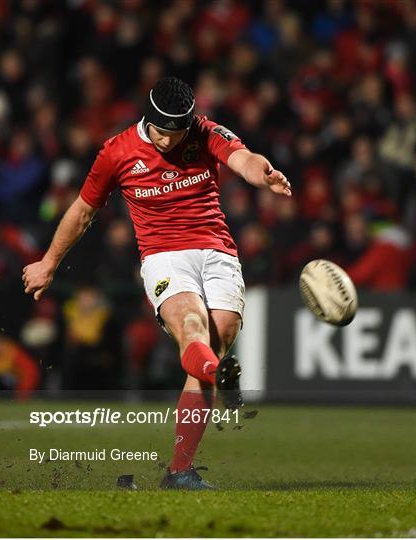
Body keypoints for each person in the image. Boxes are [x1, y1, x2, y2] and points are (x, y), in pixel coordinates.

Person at [22, 77, 291, 489]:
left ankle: (179, 468)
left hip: (218, 251)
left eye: (176, 133)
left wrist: (264, 174)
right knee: (192, 329)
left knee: (216, 338)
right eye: (162, 133)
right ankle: (211, 396)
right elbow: (81, 211)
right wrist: (48, 262)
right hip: (164, 255)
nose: (168, 142)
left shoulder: (203, 131)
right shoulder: (117, 152)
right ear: (148, 120)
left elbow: (243, 158)